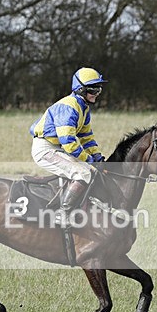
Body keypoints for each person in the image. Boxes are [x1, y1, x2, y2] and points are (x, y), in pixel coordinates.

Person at [29, 67, 107, 225]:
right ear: (80, 90)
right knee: (83, 173)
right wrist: (89, 160)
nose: (96, 93)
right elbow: (69, 144)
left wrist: (98, 156)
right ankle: (62, 214)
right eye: (93, 89)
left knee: (89, 171)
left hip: (56, 147)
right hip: (45, 149)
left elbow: (86, 137)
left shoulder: (83, 108)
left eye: (99, 89)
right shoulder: (68, 107)